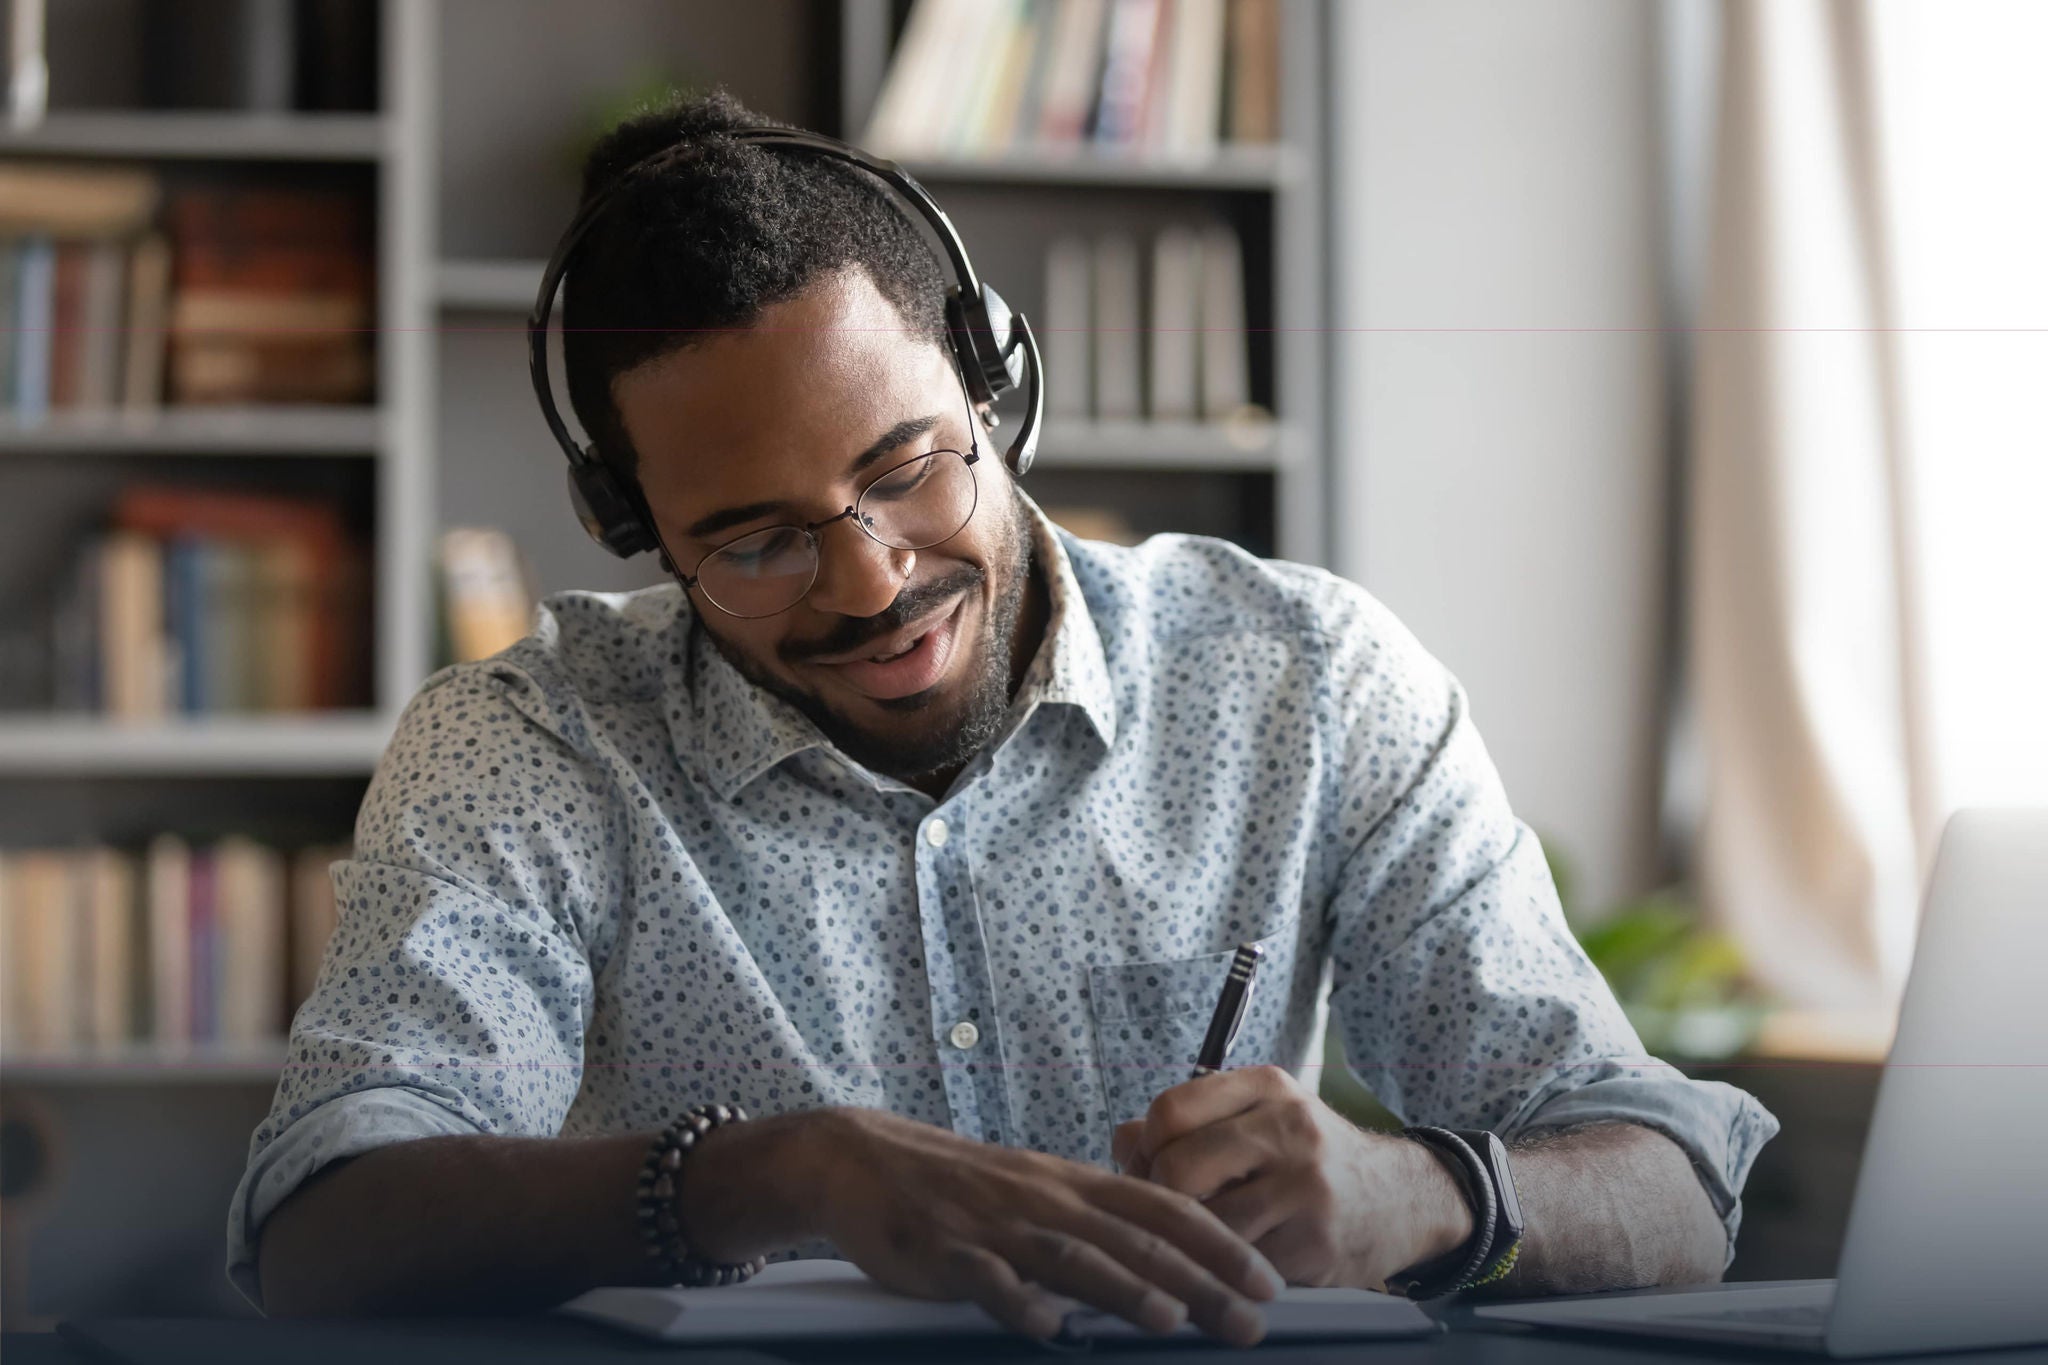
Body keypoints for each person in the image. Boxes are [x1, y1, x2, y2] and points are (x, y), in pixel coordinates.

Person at [238, 91, 1775, 1345]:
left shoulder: (1305, 678)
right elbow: (321, 1223)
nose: (871, 580)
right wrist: (771, 1172)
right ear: (638, 529)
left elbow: (1677, 1190)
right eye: (756, 540)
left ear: (996, 389)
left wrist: (1418, 1194)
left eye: (907, 467)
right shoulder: (529, 745)